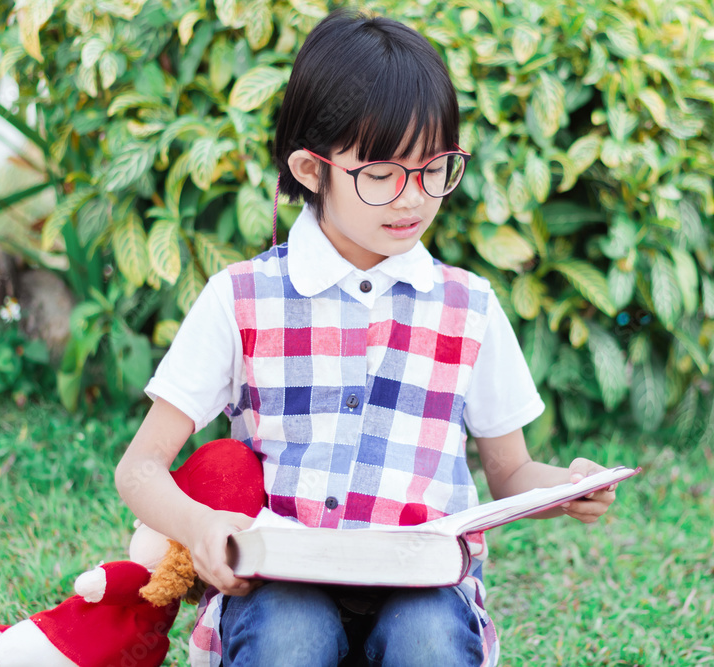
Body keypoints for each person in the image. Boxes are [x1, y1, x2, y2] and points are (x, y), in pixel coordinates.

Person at [115, 9, 617, 667]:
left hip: (425, 585)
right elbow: (139, 467)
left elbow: (510, 473)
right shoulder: (243, 298)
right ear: (310, 167)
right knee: (288, 638)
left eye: (435, 167)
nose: (413, 198)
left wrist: (566, 486)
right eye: (381, 174)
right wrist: (201, 526)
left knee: (429, 641)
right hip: (280, 579)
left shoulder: (469, 308)